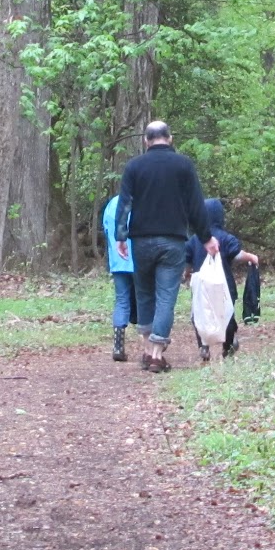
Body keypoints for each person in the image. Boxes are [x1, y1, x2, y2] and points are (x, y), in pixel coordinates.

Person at [114, 120, 217, 373]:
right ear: (170, 138)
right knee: (166, 297)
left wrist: (121, 236)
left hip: (141, 241)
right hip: (172, 240)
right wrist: (205, 237)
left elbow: (124, 204)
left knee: (144, 293)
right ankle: (157, 354)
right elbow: (196, 205)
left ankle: (148, 350)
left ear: (146, 141)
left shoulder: (134, 166)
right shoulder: (183, 165)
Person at [186, 197, 258, 361]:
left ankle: (203, 346)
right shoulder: (225, 238)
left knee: (200, 315)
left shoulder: (194, 239)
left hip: (201, 285)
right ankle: (228, 344)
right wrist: (251, 257)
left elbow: (187, 260)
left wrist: (186, 273)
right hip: (225, 285)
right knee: (226, 314)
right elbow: (237, 254)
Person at [101, 193, 136, 362]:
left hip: (118, 261)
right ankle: (150, 345)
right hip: (138, 259)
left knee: (122, 300)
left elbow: (107, 229)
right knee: (145, 299)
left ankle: (118, 345)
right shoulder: (140, 201)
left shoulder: (112, 204)